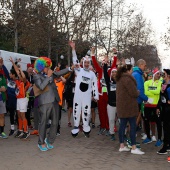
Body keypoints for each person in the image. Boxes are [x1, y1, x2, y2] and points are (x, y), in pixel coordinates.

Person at [33, 56, 73, 151]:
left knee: (55, 123)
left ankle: (49, 141)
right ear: (41, 67)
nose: (48, 68)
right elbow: (41, 87)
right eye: (46, 66)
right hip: (45, 102)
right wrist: (48, 77)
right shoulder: (37, 76)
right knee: (44, 123)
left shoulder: (51, 73)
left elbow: (59, 72)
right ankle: (41, 142)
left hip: (55, 100)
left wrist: (70, 68)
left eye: (48, 66)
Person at [69, 41, 99, 138]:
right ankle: (76, 126)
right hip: (78, 95)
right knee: (76, 110)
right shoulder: (79, 70)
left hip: (87, 95)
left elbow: (94, 85)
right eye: (85, 62)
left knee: (86, 111)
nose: (86, 64)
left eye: (87, 63)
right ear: (83, 63)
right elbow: (75, 60)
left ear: (89, 63)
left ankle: (86, 127)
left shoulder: (92, 74)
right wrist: (73, 49)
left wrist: (95, 96)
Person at [116, 61, 145, 155]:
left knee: (122, 126)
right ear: (128, 70)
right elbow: (133, 93)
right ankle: (133, 147)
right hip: (129, 106)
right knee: (133, 126)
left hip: (122, 106)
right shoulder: (128, 79)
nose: (132, 71)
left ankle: (122, 146)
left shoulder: (120, 78)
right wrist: (138, 92)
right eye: (132, 69)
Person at [91, 48, 117, 135]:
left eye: (105, 63)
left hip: (108, 94)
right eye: (102, 63)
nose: (103, 64)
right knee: (101, 111)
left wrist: (115, 54)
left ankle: (108, 126)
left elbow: (114, 64)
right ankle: (102, 126)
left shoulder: (109, 71)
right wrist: (93, 53)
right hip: (100, 94)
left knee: (107, 111)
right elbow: (94, 63)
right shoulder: (99, 70)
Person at [9, 57, 31, 139]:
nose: (19, 75)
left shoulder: (25, 82)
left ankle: (26, 131)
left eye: (21, 75)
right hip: (18, 99)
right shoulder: (18, 81)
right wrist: (13, 63)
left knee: (22, 115)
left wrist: (21, 69)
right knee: (18, 115)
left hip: (23, 99)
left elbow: (23, 76)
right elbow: (17, 71)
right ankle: (20, 130)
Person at [143, 68, 162, 146]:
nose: (159, 75)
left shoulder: (160, 82)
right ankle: (148, 137)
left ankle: (160, 139)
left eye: (160, 74)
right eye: (157, 74)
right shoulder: (147, 82)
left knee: (158, 122)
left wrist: (150, 91)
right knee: (146, 121)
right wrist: (154, 92)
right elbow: (145, 92)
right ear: (154, 74)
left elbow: (158, 92)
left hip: (155, 105)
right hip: (147, 105)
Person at [157, 69, 170, 159]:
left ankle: (165, 147)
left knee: (166, 128)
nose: (162, 75)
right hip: (164, 109)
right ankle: (167, 145)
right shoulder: (163, 85)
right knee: (166, 127)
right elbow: (160, 97)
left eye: (164, 74)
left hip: (168, 110)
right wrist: (158, 107)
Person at [103, 57, 117, 141]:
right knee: (111, 120)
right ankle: (112, 133)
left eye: (116, 72)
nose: (114, 73)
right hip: (111, 104)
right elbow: (105, 74)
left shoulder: (120, 81)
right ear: (111, 74)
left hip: (119, 104)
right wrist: (105, 64)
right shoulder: (109, 82)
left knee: (122, 120)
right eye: (113, 72)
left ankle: (124, 133)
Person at [7, 69, 18, 136]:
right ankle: (12, 129)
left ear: (13, 74)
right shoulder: (10, 80)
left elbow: (17, 92)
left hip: (16, 101)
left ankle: (20, 129)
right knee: (11, 115)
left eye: (11, 73)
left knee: (18, 115)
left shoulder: (17, 81)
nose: (9, 74)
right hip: (10, 101)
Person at [0, 72, 8, 138]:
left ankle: (1, 132)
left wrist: (4, 88)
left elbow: (5, 85)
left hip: (1, 99)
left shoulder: (2, 76)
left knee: (2, 115)